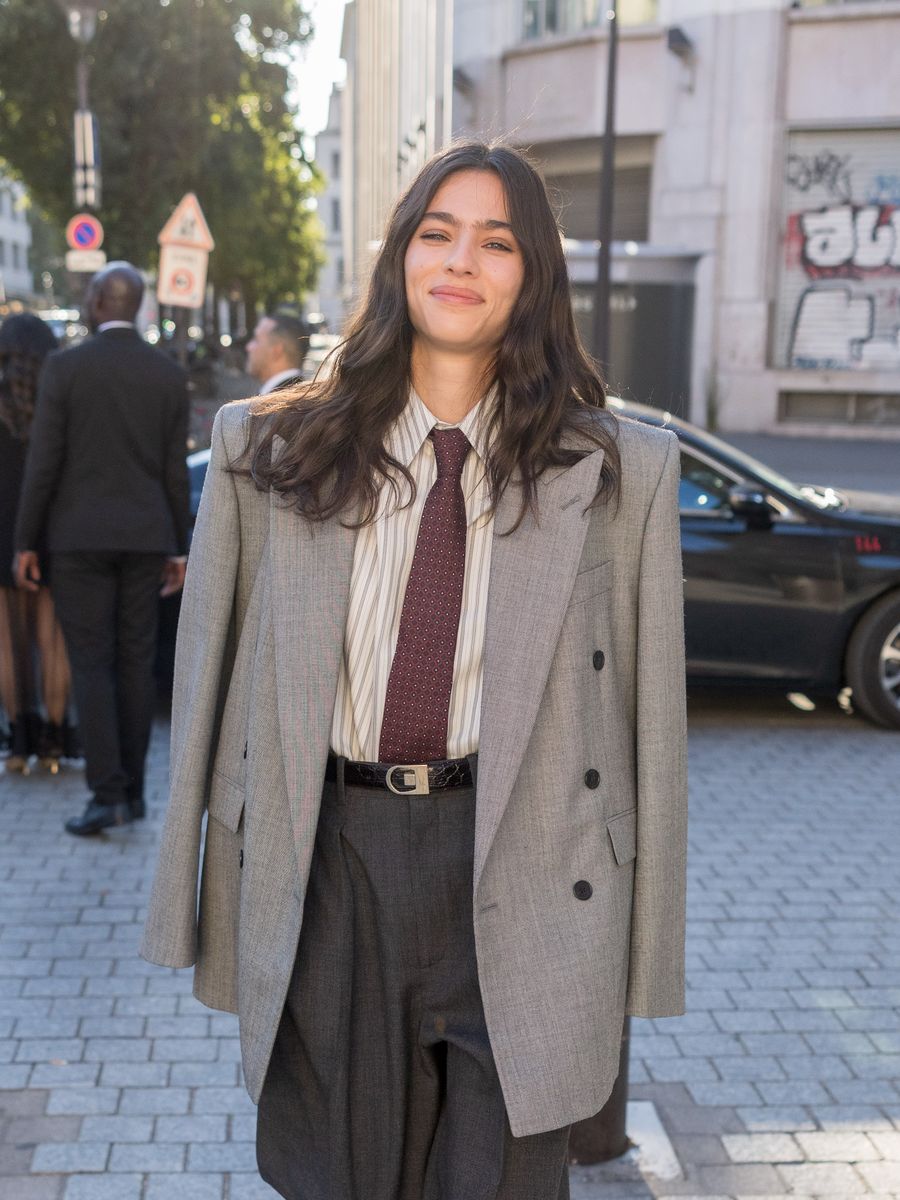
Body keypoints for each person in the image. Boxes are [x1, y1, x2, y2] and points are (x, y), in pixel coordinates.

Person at [142, 141, 687, 1200]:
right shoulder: (268, 450)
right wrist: (185, 899)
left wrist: (644, 955)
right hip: (328, 857)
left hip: (524, 854)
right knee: (338, 1176)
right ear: (399, 257)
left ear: (534, 276)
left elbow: (650, 725)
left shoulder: (619, 471)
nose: (461, 260)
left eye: (498, 241)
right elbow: (205, 679)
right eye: (437, 232)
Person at [14, 263, 190, 835]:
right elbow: (171, 469)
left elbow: (44, 462)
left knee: (92, 664)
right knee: (135, 662)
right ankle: (135, 794)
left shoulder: (65, 369)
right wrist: (179, 547)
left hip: (78, 539)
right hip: (145, 538)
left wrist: (25, 541)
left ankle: (106, 795)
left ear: (94, 301)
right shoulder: (166, 373)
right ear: (138, 306)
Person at [0, 313, 73, 773]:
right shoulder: (59, 402)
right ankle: (54, 741)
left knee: (7, 643)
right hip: (50, 528)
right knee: (52, 641)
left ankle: (18, 744)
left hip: (2, 529)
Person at [245, 312, 309, 394]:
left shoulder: (272, 403)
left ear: (276, 351)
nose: (248, 347)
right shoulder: (305, 398)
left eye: (256, 340)